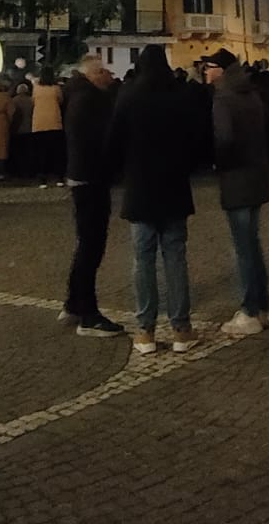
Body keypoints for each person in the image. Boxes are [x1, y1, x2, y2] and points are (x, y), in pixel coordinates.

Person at [107, 44, 197, 355]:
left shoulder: (129, 96)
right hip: (173, 186)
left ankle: (145, 330)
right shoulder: (180, 95)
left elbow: (114, 140)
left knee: (143, 259)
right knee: (175, 257)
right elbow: (195, 140)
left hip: (141, 187)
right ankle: (181, 329)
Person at [203, 49, 269, 337]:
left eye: (208, 66)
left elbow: (224, 138)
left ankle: (249, 311)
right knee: (252, 245)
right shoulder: (250, 93)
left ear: (220, 69)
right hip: (257, 176)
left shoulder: (223, 98)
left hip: (237, 179)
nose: (204, 71)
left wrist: (218, 162)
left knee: (243, 249)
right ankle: (264, 306)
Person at [61, 54, 124, 337]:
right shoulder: (90, 101)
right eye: (105, 71)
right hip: (91, 178)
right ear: (94, 74)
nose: (110, 76)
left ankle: (75, 302)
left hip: (82, 175)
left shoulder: (78, 96)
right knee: (91, 245)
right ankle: (88, 313)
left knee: (86, 243)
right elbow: (103, 140)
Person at [32, 66, 65, 187]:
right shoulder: (56, 88)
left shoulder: (36, 88)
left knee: (41, 152)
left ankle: (42, 179)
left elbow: (33, 101)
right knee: (57, 152)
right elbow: (60, 101)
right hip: (54, 121)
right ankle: (59, 178)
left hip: (39, 123)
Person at [10, 79, 34, 177]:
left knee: (18, 151)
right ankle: (28, 170)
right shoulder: (31, 100)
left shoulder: (14, 101)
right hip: (29, 128)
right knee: (28, 151)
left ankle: (17, 171)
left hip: (17, 129)